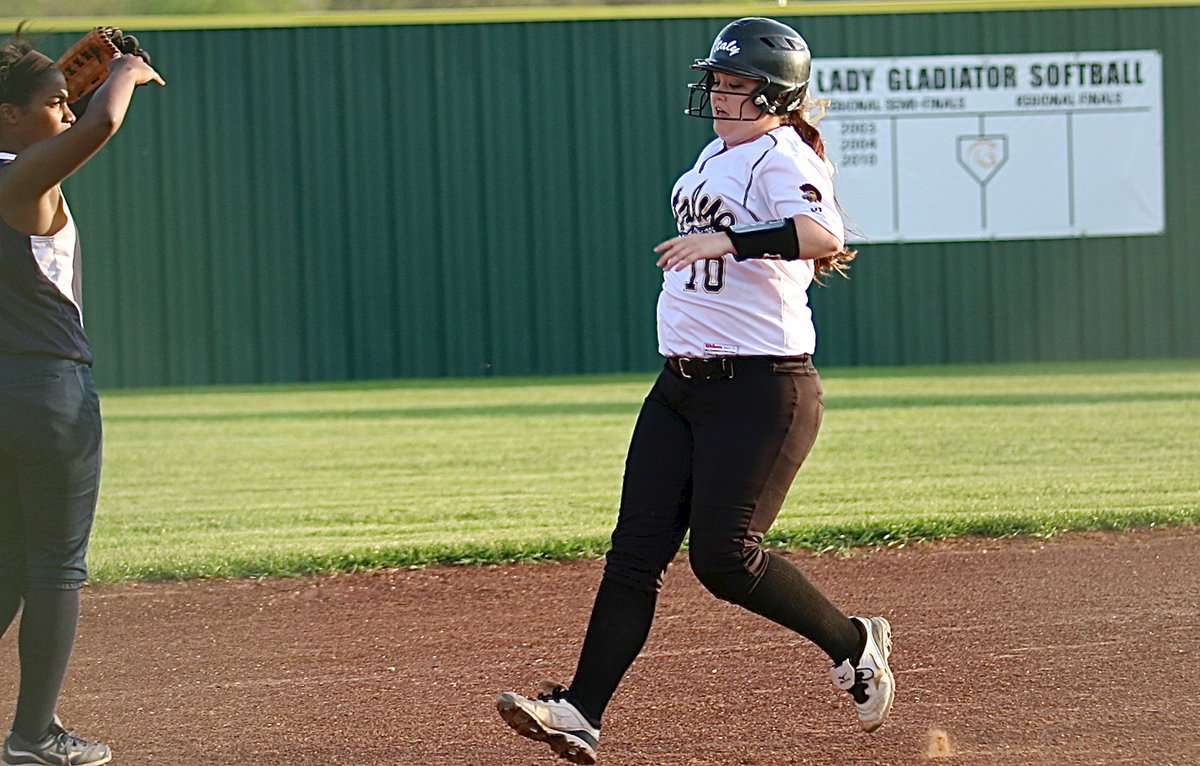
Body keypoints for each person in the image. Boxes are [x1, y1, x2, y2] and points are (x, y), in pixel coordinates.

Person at [496, 17, 893, 765]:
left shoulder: (779, 152)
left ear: (775, 97)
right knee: (634, 553)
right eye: (717, 80)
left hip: (761, 388)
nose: (719, 93)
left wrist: (729, 241)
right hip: (679, 385)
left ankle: (853, 642)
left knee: (724, 558)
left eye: (738, 85)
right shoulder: (717, 153)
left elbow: (823, 234)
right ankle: (580, 712)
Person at [0, 26, 163, 766]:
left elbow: (58, 126)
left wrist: (51, 91)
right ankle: (34, 738)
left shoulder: (17, 162)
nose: (68, 110)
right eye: (54, 102)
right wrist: (124, 73)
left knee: (6, 563)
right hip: (48, 391)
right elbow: (99, 125)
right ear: (8, 113)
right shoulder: (21, 181)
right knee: (56, 568)